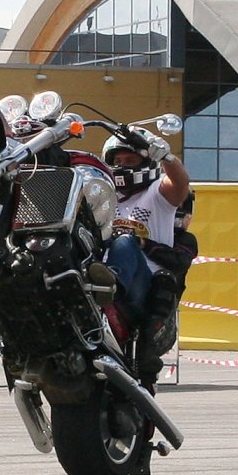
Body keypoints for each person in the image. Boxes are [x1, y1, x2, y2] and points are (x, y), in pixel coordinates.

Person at [91, 127, 191, 384]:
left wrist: (166, 157)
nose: (122, 165)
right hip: (100, 279)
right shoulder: (102, 199)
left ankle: (107, 285)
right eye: (117, 161)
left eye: (131, 160)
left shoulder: (157, 195)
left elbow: (180, 183)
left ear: (146, 162)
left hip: (144, 286)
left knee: (124, 243)